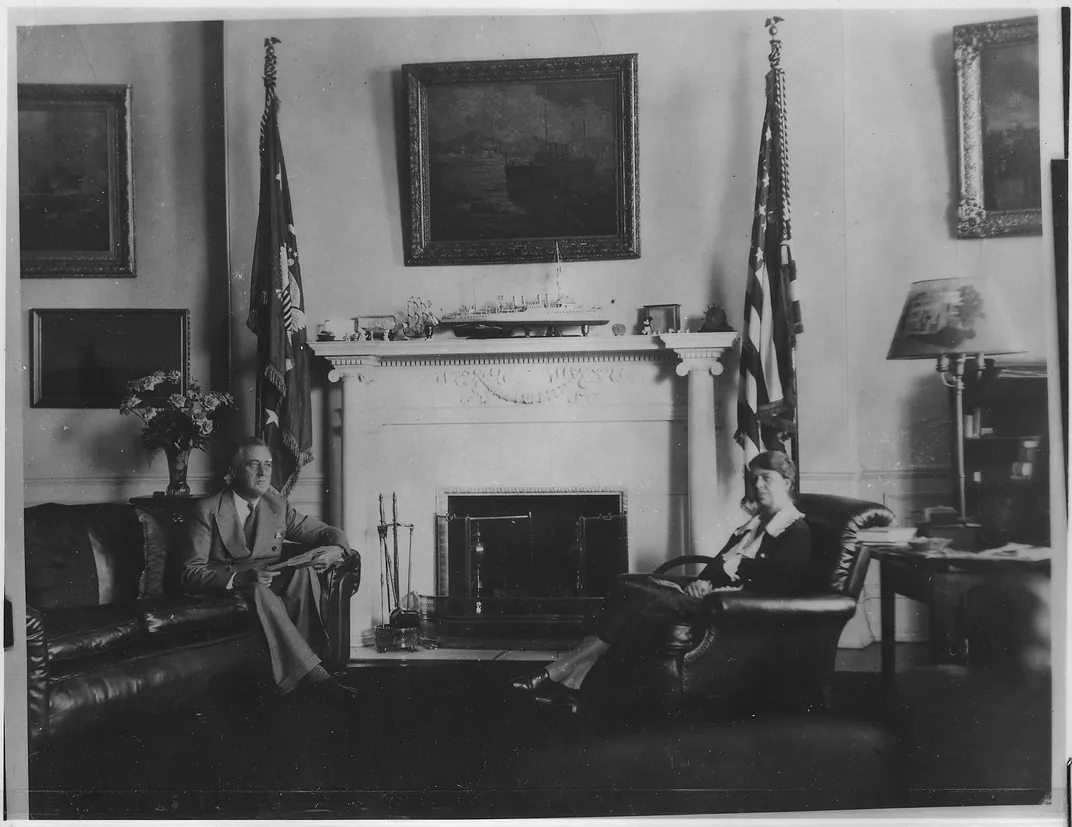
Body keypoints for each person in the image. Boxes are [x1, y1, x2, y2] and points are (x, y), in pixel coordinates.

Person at [510, 450, 812, 709]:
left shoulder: (794, 531)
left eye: (767, 479)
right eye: (754, 478)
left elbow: (773, 592)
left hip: (730, 610)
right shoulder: (751, 527)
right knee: (627, 584)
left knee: (636, 597)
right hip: (708, 598)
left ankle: (556, 672)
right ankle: (572, 683)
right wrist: (702, 583)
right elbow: (715, 568)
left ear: (786, 483)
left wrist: (711, 592)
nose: (758, 485)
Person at [179, 437, 359, 699]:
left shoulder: (277, 505)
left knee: (303, 573)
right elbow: (189, 572)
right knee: (258, 591)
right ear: (233, 472)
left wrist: (338, 550)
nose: (264, 473)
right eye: (254, 464)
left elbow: (327, 532)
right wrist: (239, 578)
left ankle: (306, 672)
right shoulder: (206, 509)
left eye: (268, 464)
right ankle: (316, 677)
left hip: (263, 581)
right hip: (226, 586)